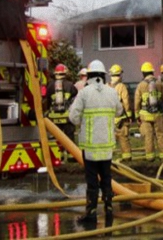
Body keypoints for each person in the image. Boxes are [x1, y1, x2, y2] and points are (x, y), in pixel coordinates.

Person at [69, 59, 122, 227]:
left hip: (90, 147)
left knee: (92, 180)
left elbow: (73, 117)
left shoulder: (84, 93)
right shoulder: (111, 92)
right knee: (106, 178)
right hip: (106, 146)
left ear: (89, 75)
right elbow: (119, 110)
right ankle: (109, 209)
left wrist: (83, 121)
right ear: (103, 75)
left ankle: (91, 212)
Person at [134, 61, 163, 161]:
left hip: (145, 116)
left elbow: (137, 102)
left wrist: (136, 116)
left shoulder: (140, 85)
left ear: (143, 73)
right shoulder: (159, 84)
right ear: (152, 72)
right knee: (161, 135)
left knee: (148, 136)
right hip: (158, 115)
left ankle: (150, 157)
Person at [44, 63, 78, 141]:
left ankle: (58, 152)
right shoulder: (70, 85)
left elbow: (47, 101)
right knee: (69, 140)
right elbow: (75, 95)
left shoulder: (50, 85)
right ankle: (68, 152)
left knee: (56, 139)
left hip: (54, 118)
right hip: (67, 117)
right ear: (65, 73)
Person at [108, 64, 133, 161]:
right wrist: (129, 116)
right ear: (120, 75)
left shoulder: (106, 86)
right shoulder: (122, 86)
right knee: (123, 138)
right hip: (121, 118)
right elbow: (126, 102)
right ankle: (127, 158)